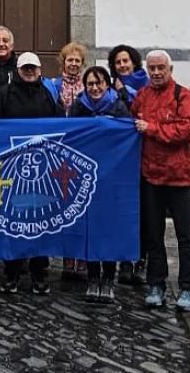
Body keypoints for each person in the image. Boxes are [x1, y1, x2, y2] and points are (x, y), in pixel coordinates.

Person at [131, 50, 190, 312]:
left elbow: (189, 129)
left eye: (161, 68)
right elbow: (131, 120)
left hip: (179, 177)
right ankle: (156, 284)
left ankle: (188, 288)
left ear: (170, 69)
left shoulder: (183, 95)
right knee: (153, 236)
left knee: (185, 237)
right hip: (152, 176)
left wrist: (153, 129)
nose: (156, 73)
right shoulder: (144, 96)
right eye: (152, 69)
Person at [0, 52, 61, 295]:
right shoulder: (4, 93)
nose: (29, 72)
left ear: (39, 70)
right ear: (18, 69)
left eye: (32, 69)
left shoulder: (48, 94)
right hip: (13, 168)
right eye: (25, 68)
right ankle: (12, 272)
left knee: (39, 222)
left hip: (41, 170)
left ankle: (39, 272)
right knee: (13, 221)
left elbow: (57, 127)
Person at [67, 65, 130, 303]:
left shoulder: (119, 106)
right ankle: (93, 277)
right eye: (90, 84)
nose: (94, 88)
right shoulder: (78, 107)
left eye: (99, 83)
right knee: (90, 228)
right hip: (85, 175)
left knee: (110, 227)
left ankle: (109, 277)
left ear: (107, 84)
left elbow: (127, 137)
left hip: (112, 175)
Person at [44, 41, 89, 283]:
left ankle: (81, 258)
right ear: (63, 63)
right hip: (58, 153)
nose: (73, 64)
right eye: (69, 60)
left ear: (83, 64)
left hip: (81, 153)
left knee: (82, 206)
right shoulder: (52, 86)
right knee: (63, 206)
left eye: (77, 61)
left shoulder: (90, 86)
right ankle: (67, 258)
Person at [109, 44, 149, 285]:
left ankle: (141, 260)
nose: (122, 65)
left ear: (134, 62)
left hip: (145, 157)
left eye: (126, 61)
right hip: (122, 159)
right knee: (124, 211)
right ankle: (124, 261)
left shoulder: (146, 83)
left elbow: (140, 110)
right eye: (117, 63)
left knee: (144, 212)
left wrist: (124, 92)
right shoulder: (111, 89)